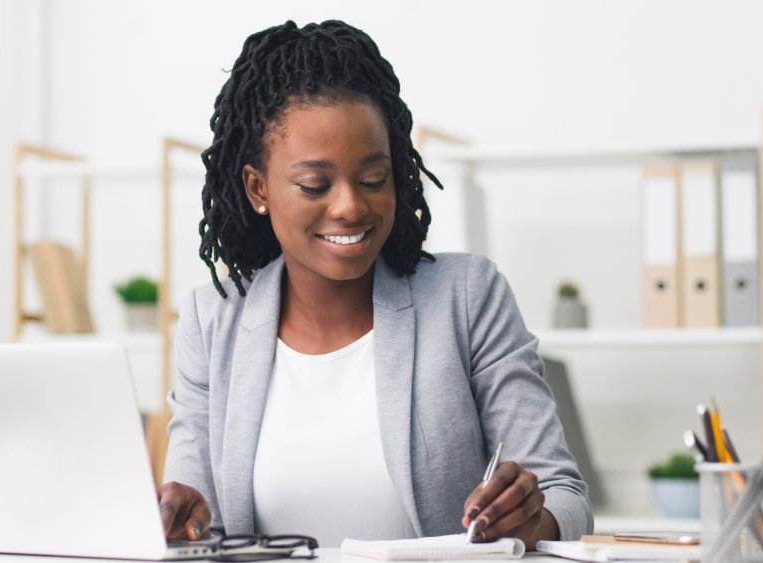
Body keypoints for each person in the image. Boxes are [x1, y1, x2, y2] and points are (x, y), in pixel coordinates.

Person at [157, 20, 592, 549]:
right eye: (315, 184)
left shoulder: (467, 297)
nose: (350, 207)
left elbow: (563, 493)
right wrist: (179, 524)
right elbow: (192, 516)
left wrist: (531, 519)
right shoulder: (213, 321)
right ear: (258, 188)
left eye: (373, 179)